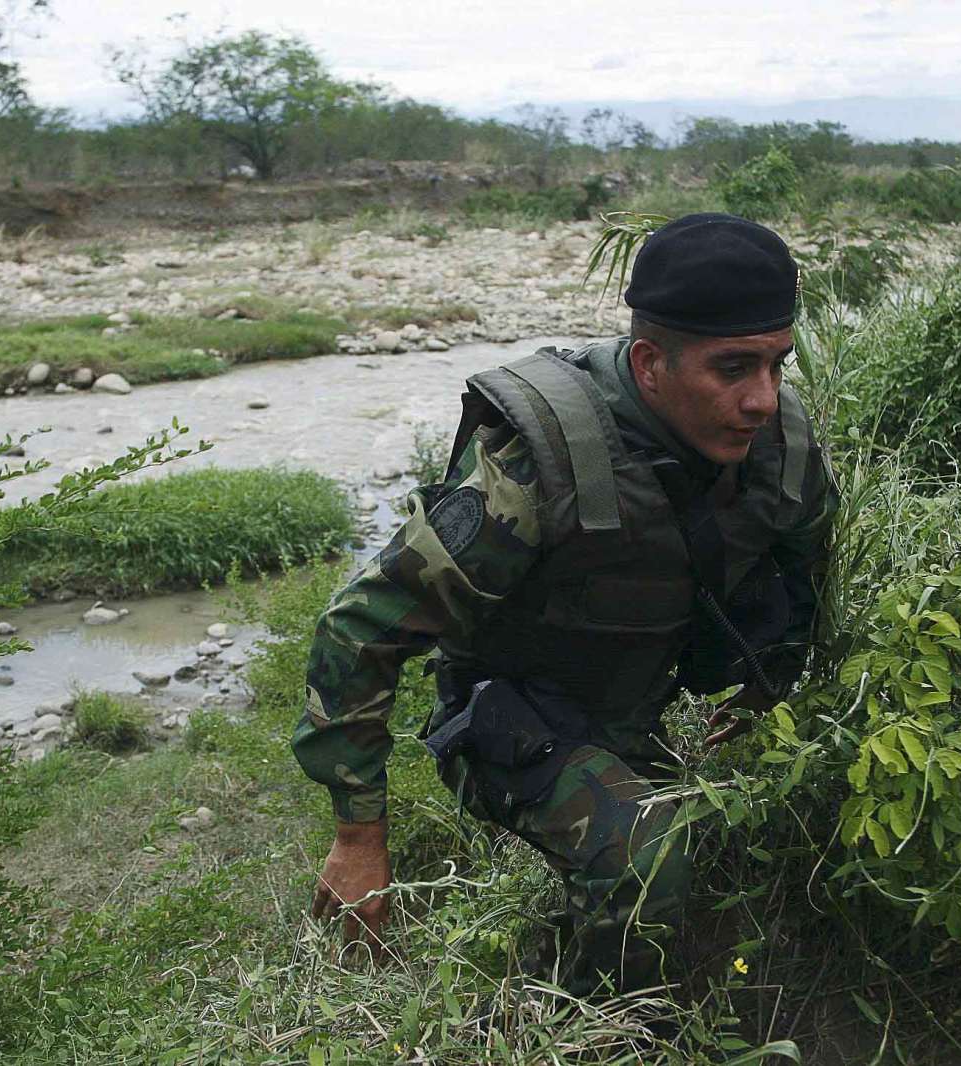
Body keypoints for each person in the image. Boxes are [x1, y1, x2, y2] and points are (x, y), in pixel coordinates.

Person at [291, 212, 840, 996]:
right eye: (732, 369)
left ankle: (544, 970)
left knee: (743, 852)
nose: (762, 399)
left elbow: (806, 567)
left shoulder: (778, 445)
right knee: (648, 858)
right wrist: (357, 836)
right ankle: (590, 1034)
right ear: (649, 364)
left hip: (631, 712)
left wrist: (766, 687)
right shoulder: (533, 471)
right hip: (509, 719)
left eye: (777, 366)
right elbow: (359, 631)